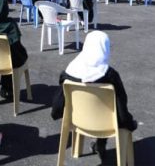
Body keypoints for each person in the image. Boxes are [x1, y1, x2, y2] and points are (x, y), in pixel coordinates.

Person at [51, 31, 137, 164]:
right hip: (106, 124)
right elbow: (121, 106)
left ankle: (86, 147)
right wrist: (130, 124)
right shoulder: (110, 76)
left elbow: (58, 103)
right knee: (108, 110)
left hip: (77, 120)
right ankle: (101, 144)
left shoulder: (69, 72)